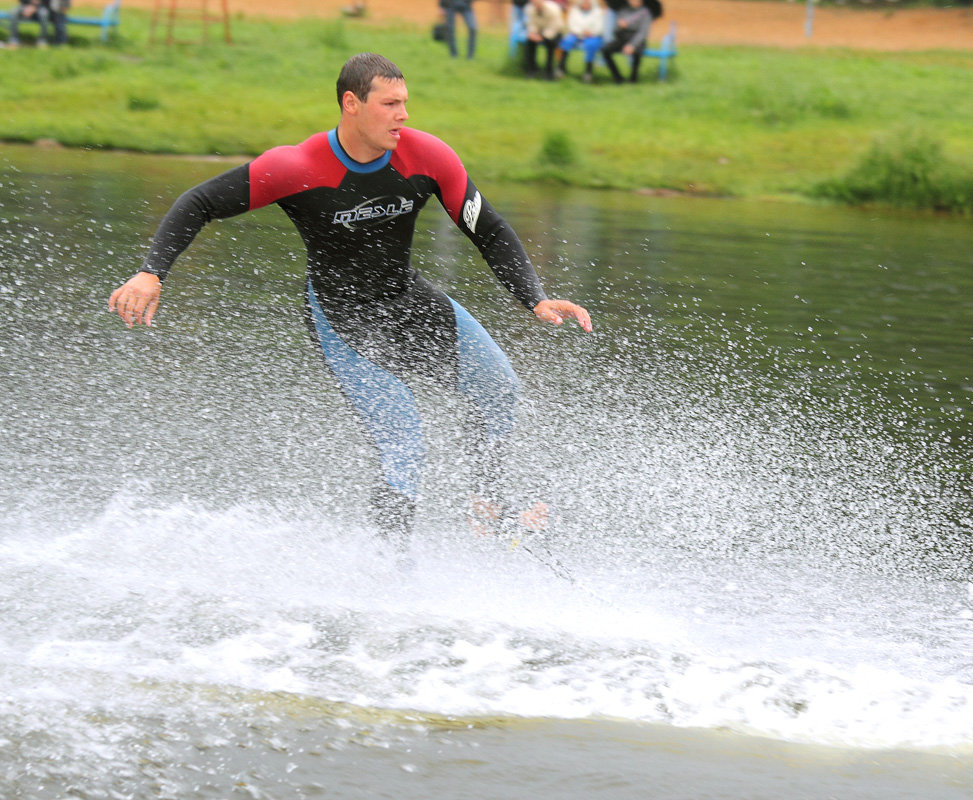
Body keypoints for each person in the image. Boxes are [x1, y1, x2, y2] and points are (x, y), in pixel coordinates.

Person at [107, 53, 592, 546]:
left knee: (498, 388)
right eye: (390, 104)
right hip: (341, 318)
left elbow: (487, 230)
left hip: (405, 299)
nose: (403, 115)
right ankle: (388, 569)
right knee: (404, 436)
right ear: (351, 103)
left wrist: (533, 298)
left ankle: (487, 504)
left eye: (405, 103)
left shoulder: (428, 158)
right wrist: (152, 272)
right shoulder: (296, 167)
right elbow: (200, 202)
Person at [601, 0, 652, 84]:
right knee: (605, 50)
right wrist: (620, 26)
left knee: (637, 52)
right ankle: (618, 77)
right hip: (623, 38)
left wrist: (632, 45)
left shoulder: (645, 13)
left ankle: (633, 78)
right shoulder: (623, 11)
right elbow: (615, 31)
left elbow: (643, 33)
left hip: (637, 40)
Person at [556, 0, 605, 83]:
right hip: (576, 33)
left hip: (592, 35)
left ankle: (588, 72)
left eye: (587, 3)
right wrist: (581, 32)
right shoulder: (574, 11)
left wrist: (590, 32)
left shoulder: (598, 12)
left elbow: (600, 27)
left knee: (591, 45)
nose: (585, 4)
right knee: (567, 42)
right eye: (583, 2)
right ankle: (561, 68)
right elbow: (571, 25)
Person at [522, 0, 563, 80]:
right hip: (539, 31)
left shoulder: (553, 9)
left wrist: (543, 36)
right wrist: (533, 33)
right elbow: (531, 23)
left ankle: (549, 71)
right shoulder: (529, 9)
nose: (535, 4)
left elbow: (555, 26)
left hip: (554, 32)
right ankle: (531, 69)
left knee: (551, 44)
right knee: (529, 42)